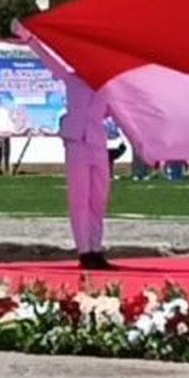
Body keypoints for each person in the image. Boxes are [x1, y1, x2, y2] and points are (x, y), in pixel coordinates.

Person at [60, 75, 116, 270]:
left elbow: (115, 110)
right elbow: (48, 55)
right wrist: (29, 41)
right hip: (77, 141)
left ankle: (96, 248)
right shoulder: (72, 78)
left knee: (99, 200)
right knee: (79, 199)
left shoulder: (107, 83)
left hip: (97, 142)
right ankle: (85, 251)